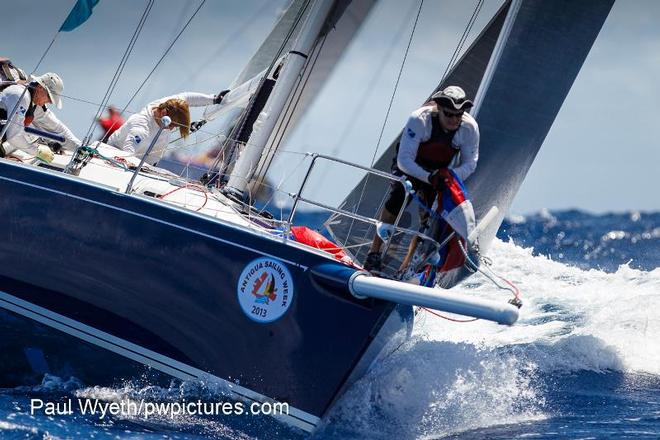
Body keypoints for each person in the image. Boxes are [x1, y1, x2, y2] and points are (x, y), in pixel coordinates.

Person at [363, 85, 480, 272]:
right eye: (449, 114)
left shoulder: (469, 128)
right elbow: (404, 160)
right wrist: (428, 176)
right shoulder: (420, 119)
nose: (454, 119)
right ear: (439, 109)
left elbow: (470, 163)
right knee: (398, 198)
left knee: (429, 216)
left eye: (458, 115)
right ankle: (373, 253)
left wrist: (448, 177)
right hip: (411, 166)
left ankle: (407, 266)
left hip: (441, 172)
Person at [107, 90, 228, 166]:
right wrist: (129, 164)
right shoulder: (141, 127)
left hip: (146, 164)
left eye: (175, 126)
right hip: (116, 155)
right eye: (171, 125)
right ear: (161, 113)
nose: (171, 128)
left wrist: (214, 99)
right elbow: (126, 155)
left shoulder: (170, 104)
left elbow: (187, 97)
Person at [0, 72, 81, 156]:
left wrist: (79, 147)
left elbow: (57, 128)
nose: (50, 102)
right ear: (40, 88)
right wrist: (37, 152)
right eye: (49, 97)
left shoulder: (35, 104)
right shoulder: (21, 96)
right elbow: (13, 136)